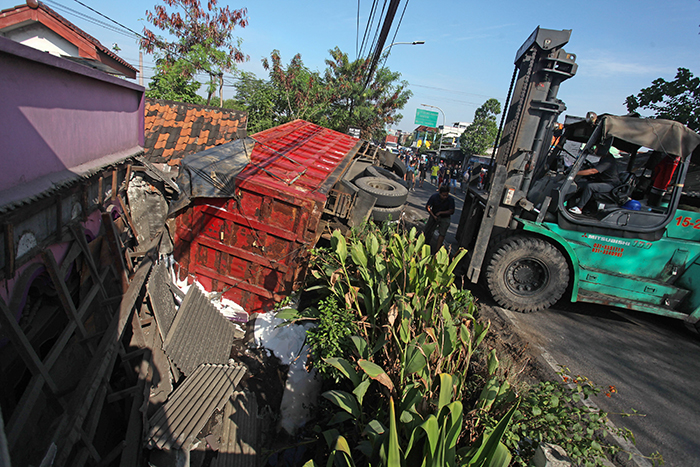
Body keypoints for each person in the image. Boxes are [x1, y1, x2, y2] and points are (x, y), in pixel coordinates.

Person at [568, 146, 621, 215]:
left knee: (590, 186)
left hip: (610, 184)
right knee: (579, 184)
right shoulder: (604, 158)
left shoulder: (608, 160)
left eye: (597, 148)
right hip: (602, 181)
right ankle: (569, 204)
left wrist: (574, 173)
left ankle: (579, 208)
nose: (595, 150)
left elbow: (593, 171)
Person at [424, 185, 455, 250]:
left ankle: (437, 249)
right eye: (443, 195)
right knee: (428, 230)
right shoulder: (434, 197)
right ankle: (425, 245)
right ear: (440, 193)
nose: (445, 197)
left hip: (445, 217)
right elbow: (428, 207)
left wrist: (441, 212)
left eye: (446, 195)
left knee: (442, 233)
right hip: (434, 215)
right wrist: (433, 216)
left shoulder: (450, 199)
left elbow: (451, 211)